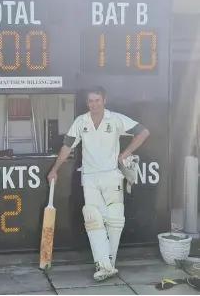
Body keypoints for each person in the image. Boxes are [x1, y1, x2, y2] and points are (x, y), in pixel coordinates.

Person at [47, 86, 150, 282]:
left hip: (111, 175)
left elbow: (143, 132)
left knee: (115, 218)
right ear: (87, 103)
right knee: (92, 217)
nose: (94, 105)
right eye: (91, 101)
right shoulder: (81, 121)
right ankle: (104, 265)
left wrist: (125, 154)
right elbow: (67, 145)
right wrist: (54, 169)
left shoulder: (116, 119)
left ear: (104, 100)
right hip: (90, 176)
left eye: (97, 100)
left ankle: (107, 265)